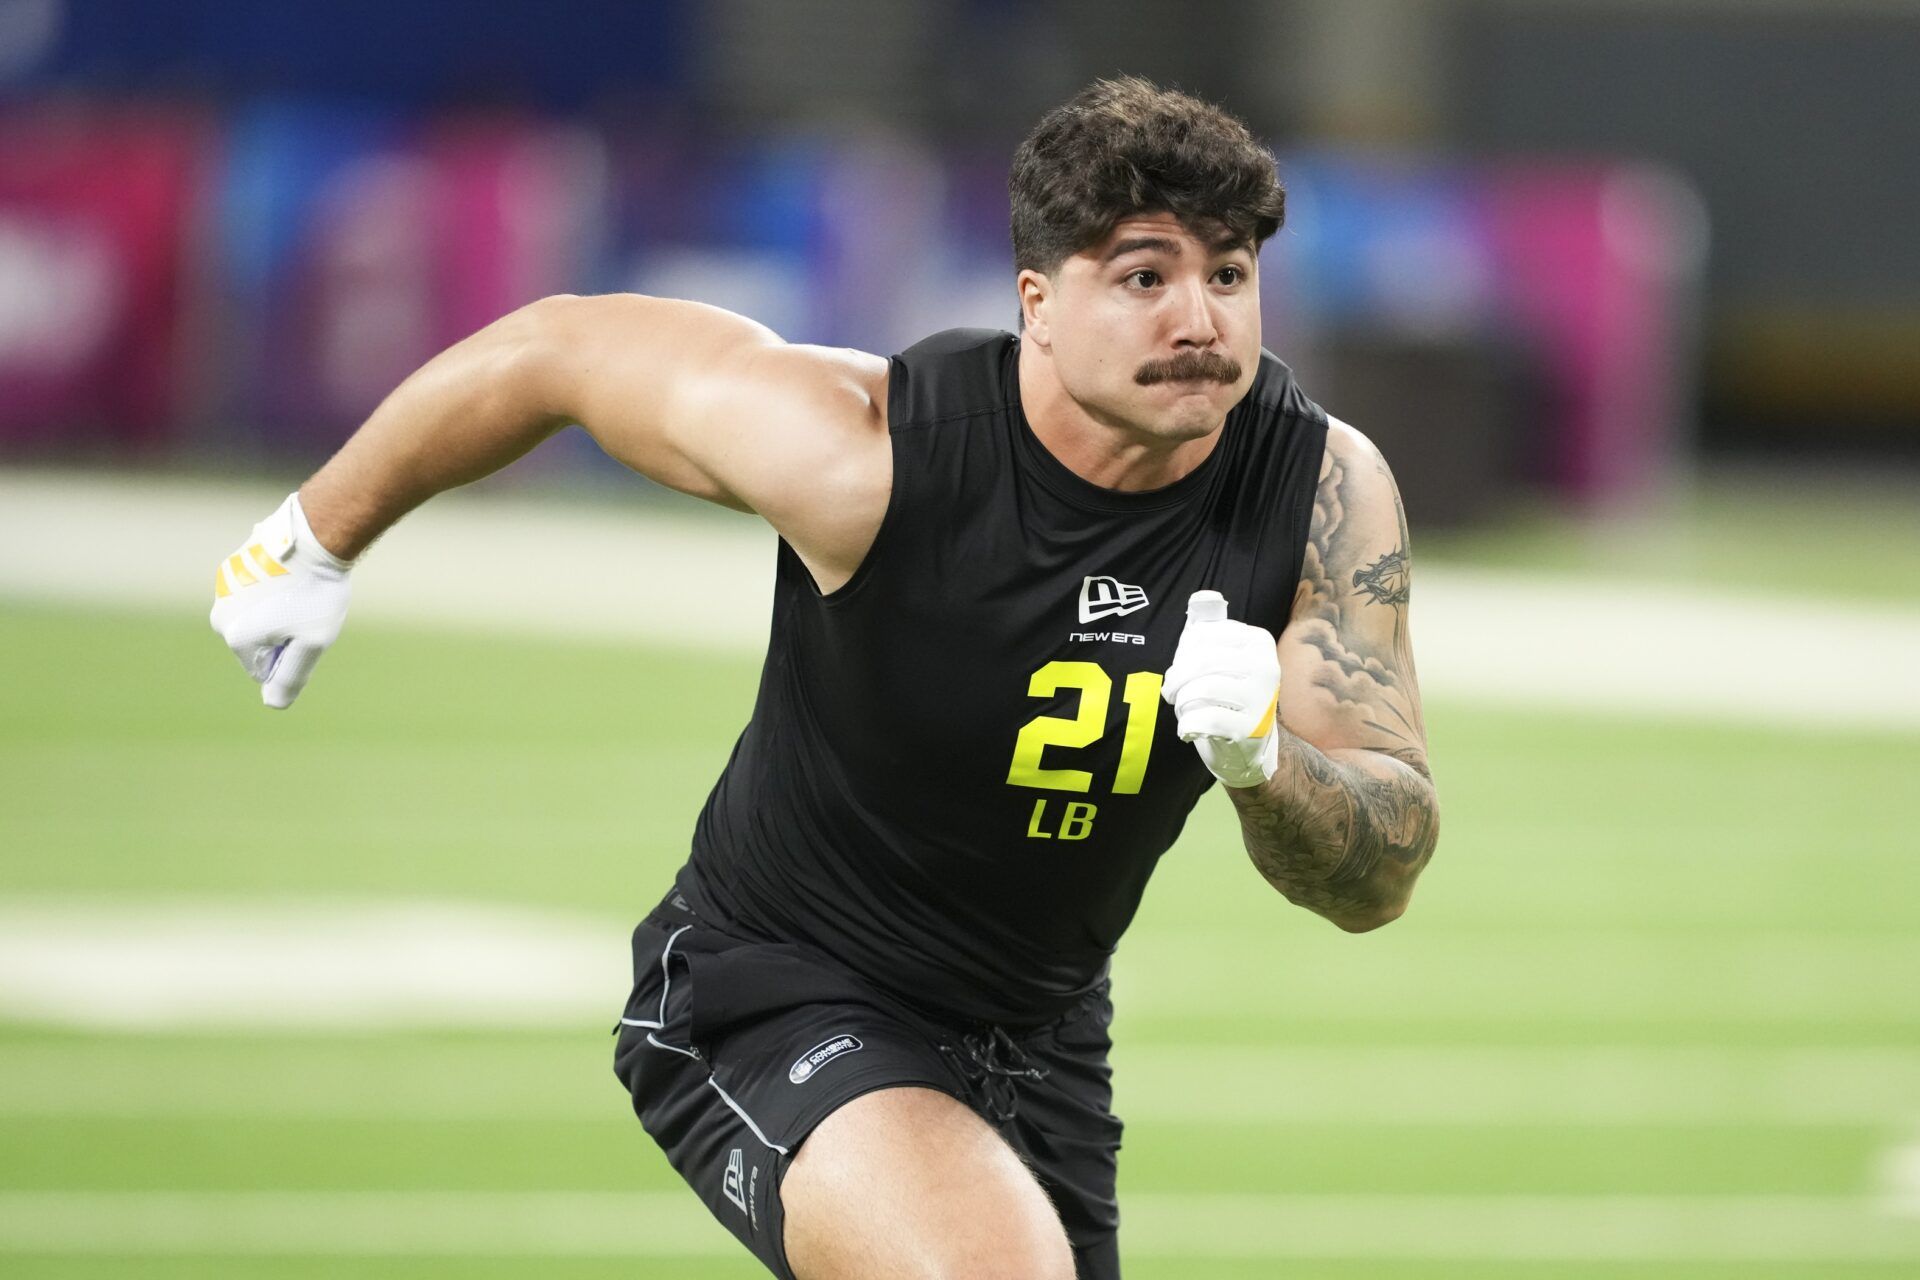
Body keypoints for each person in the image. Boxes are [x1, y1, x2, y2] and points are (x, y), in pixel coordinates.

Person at [210, 75, 1439, 1280]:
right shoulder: (871, 452)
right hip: (779, 979)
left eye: (1229, 273)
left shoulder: (1320, 489)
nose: (1200, 318)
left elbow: (1377, 877)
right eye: (1144, 275)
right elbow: (560, 351)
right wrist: (315, 532)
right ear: (1038, 303)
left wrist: (1268, 765)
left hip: (1040, 1032)